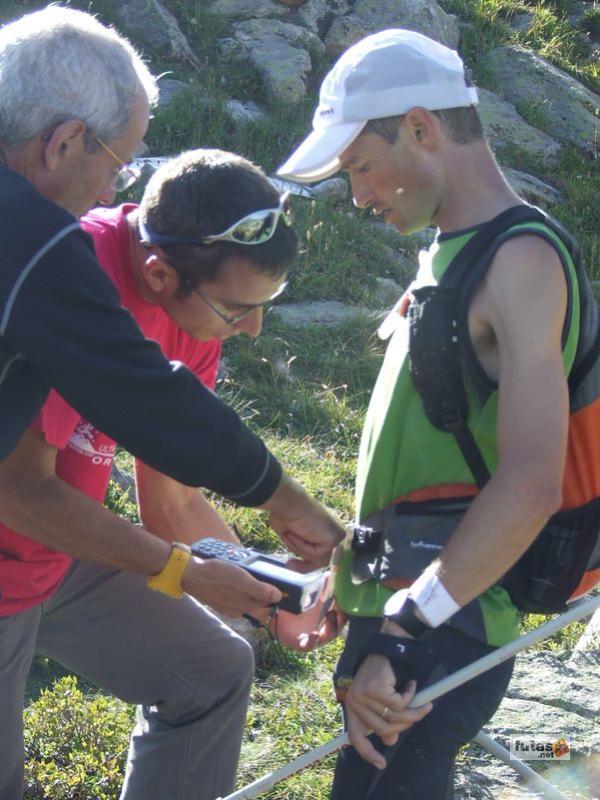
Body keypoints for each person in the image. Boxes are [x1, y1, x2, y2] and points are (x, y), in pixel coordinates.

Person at [0, 7, 344, 799]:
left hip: (59, 555)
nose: (252, 331)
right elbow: (20, 491)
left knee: (213, 670)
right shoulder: (54, 257)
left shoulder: (190, 314)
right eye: (116, 163)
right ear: (62, 143)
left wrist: (264, 589)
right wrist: (186, 573)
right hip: (13, 552)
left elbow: (174, 493)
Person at [278, 28, 581, 798]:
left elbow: (530, 483)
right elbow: (424, 456)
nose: (359, 196)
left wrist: (409, 627)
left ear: (422, 128)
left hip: (446, 625)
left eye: (361, 167)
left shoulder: (521, 260)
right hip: (408, 607)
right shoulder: (451, 251)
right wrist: (359, 577)